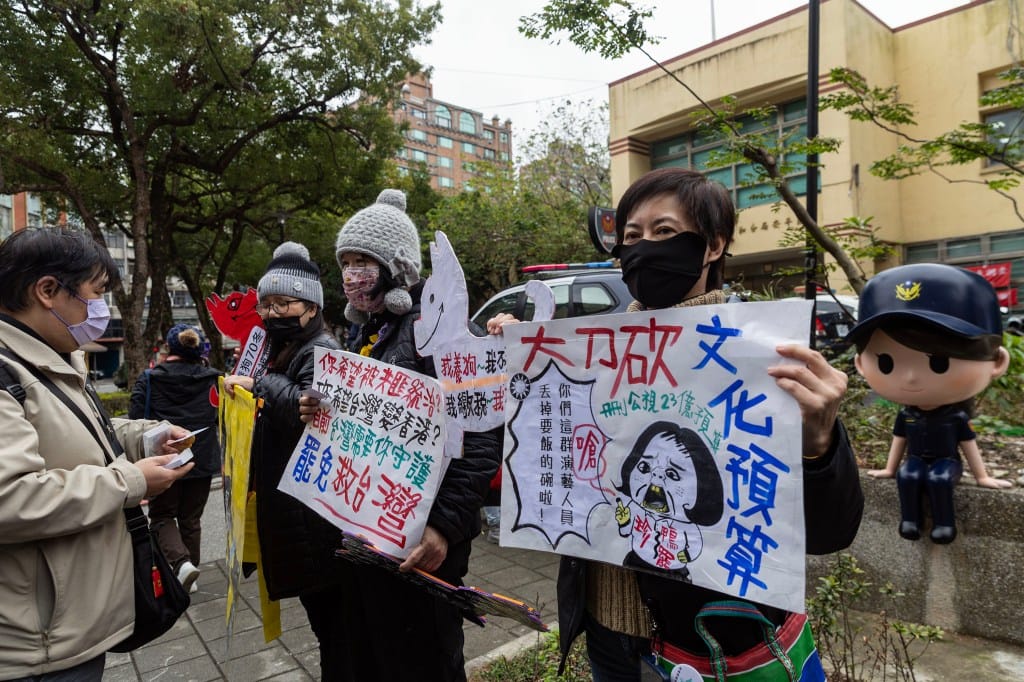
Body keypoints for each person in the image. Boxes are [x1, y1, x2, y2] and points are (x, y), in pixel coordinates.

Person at [488, 168, 864, 680]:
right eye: (632, 236)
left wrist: (820, 444)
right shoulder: (592, 352)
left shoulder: (762, 357)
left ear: (713, 245)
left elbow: (829, 532)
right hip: (607, 629)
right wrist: (517, 358)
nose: (644, 248)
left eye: (664, 231)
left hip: (706, 642)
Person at [300, 188, 500, 681]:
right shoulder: (365, 334)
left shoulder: (439, 327)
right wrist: (321, 411)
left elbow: (481, 439)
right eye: (345, 262)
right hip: (370, 537)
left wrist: (443, 528)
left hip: (424, 545)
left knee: (425, 661)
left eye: (363, 261)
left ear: (396, 266)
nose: (352, 274)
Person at [0, 227, 195, 681]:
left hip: (70, 623)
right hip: (37, 645)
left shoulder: (53, 355)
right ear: (47, 290)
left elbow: (73, 429)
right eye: (96, 293)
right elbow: (10, 498)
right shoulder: (10, 370)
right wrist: (132, 480)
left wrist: (147, 437)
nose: (100, 309)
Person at [221, 242, 345, 679]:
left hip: (313, 518)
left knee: (334, 627)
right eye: (266, 304)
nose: (272, 313)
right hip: (292, 510)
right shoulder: (278, 347)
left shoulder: (322, 350)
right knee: (325, 624)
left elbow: (308, 411)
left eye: (283, 303)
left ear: (312, 307)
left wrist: (257, 384)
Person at [850, 263, 1012, 544]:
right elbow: (899, 440)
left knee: (939, 479)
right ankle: (910, 521)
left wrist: (982, 477)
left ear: (997, 362)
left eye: (940, 362)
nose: (911, 377)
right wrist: (890, 470)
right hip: (915, 459)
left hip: (946, 461)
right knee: (907, 475)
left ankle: (945, 525)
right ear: (860, 365)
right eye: (886, 363)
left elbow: (968, 446)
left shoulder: (955, 418)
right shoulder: (907, 414)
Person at [129, 323, 222, 592]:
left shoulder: (151, 378)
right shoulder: (213, 379)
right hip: (201, 458)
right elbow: (220, 416)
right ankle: (190, 571)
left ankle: (181, 565)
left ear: (169, 347)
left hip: (163, 458)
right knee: (191, 519)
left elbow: (135, 417)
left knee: (161, 516)